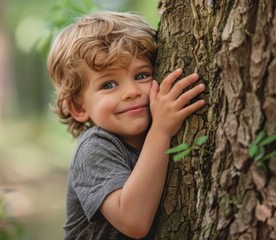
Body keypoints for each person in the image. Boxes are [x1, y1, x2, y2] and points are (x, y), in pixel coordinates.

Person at [47, 11, 205, 239]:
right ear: (79, 108)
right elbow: (134, 221)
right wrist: (161, 131)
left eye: (142, 76)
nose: (131, 92)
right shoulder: (94, 149)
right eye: (109, 84)